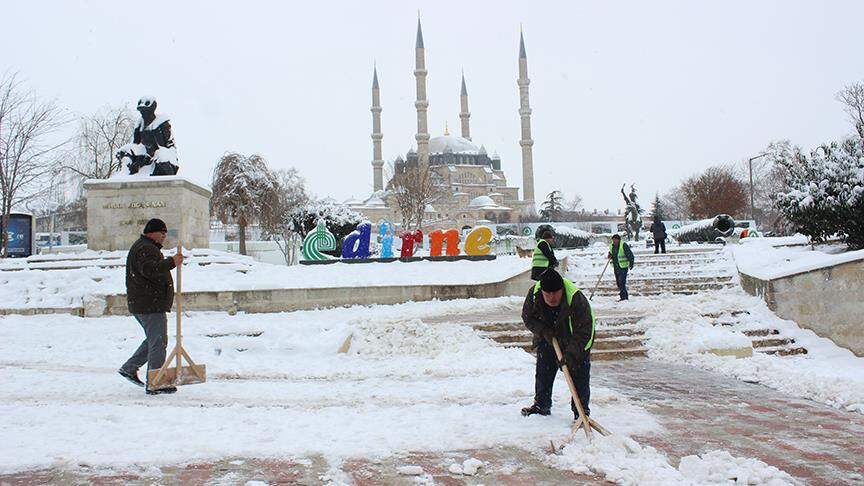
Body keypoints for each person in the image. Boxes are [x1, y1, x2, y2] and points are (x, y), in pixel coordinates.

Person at [118, 218, 183, 395]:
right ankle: (156, 382)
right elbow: (149, 269)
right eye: (161, 233)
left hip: (146, 303)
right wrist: (171, 263)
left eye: (165, 233)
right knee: (158, 342)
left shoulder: (146, 247)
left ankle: (129, 368)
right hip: (149, 304)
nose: (164, 236)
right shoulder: (146, 248)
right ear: (150, 232)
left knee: (153, 340)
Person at [520, 269, 595, 419]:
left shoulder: (575, 298)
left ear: (561, 289)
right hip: (549, 338)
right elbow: (528, 317)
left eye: (555, 293)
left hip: (574, 340)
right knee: (543, 372)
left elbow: (584, 332)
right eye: (547, 294)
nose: (551, 298)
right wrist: (543, 331)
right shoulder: (535, 294)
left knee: (579, 376)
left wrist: (571, 355)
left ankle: (581, 412)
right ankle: (541, 405)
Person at [608, 234, 635, 301]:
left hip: (623, 267)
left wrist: (631, 263)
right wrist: (609, 255)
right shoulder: (611, 246)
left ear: (618, 240)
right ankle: (624, 296)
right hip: (616, 267)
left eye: (615, 240)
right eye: (613, 240)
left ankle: (624, 297)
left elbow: (630, 255)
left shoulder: (623, 245)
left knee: (622, 282)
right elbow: (611, 253)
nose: (614, 242)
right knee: (618, 283)